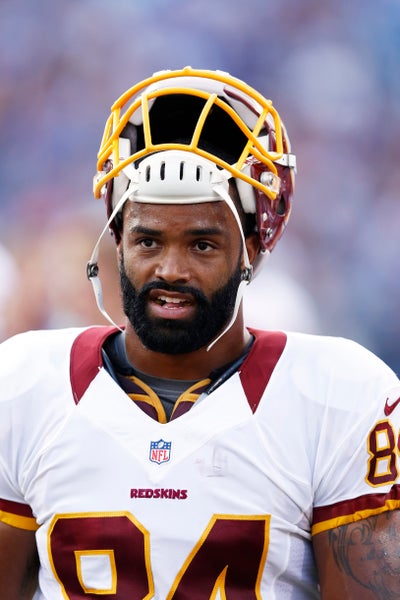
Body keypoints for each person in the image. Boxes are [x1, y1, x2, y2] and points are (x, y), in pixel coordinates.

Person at [0, 67, 399, 600]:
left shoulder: (338, 396)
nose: (171, 270)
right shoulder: (24, 383)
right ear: (116, 240)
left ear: (253, 248)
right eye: (148, 241)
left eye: (202, 245)